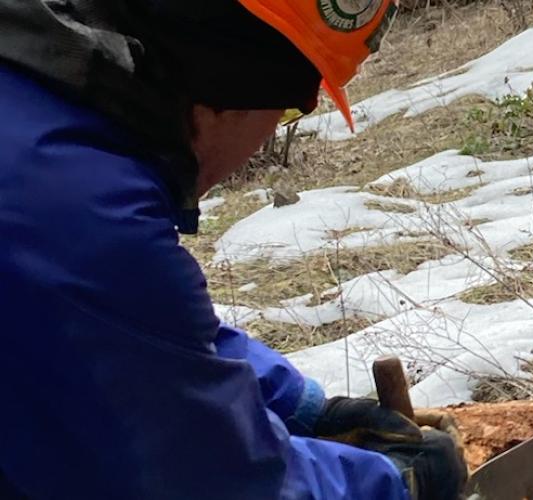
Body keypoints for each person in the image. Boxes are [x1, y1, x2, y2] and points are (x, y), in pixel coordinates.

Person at [0, 1, 466, 498]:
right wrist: (389, 485)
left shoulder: (36, 119)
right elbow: (211, 481)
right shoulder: (76, 213)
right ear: (233, 89)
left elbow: (136, 335)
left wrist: (297, 406)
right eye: (289, 108)